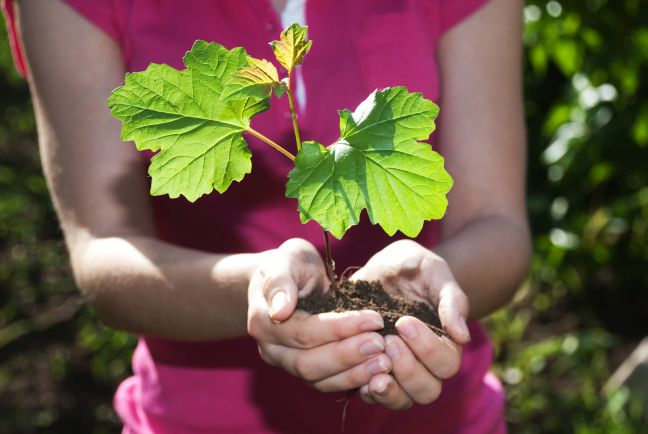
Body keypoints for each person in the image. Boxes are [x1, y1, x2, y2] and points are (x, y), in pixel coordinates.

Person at [3, 0, 530, 432]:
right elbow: (103, 252)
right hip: (196, 418)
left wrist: (429, 289)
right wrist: (259, 289)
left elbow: (497, 226)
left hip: (445, 417)